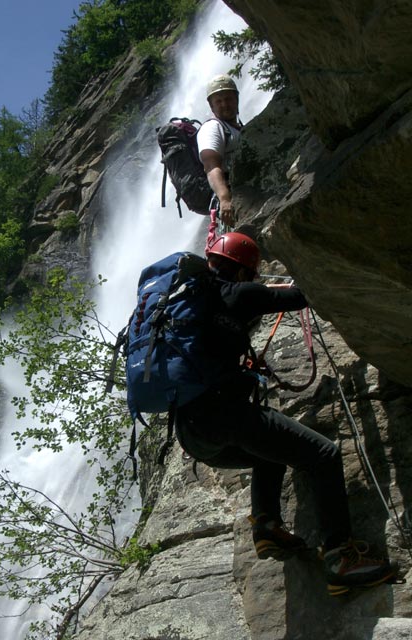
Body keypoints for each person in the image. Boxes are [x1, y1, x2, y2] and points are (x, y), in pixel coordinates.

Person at [175, 231, 397, 595]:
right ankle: (340, 557)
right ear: (245, 271)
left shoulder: (191, 301)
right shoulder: (240, 293)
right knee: (323, 454)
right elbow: (304, 296)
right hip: (225, 416)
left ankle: (266, 524)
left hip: (192, 434)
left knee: (270, 452)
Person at [197, 74, 243, 227]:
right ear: (212, 106)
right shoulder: (212, 127)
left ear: (236, 99)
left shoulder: (238, 129)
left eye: (228, 99)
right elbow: (211, 166)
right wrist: (224, 199)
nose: (224, 104)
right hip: (231, 200)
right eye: (219, 101)